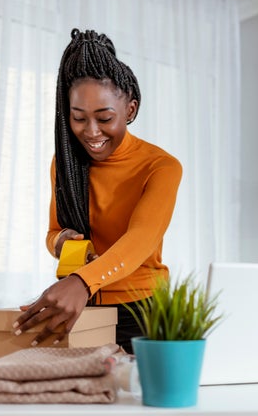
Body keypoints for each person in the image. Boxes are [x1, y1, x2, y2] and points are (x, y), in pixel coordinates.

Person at [13, 28, 182, 354]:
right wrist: (62, 242)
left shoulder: (161, 166)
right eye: (79, 118)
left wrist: (80, 281)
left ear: (130, 110)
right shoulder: (64, 164)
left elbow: (140, 241)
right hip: (83, 307)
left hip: (143, 309)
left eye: (105, 118)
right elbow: (53, 233)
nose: (91, 132)